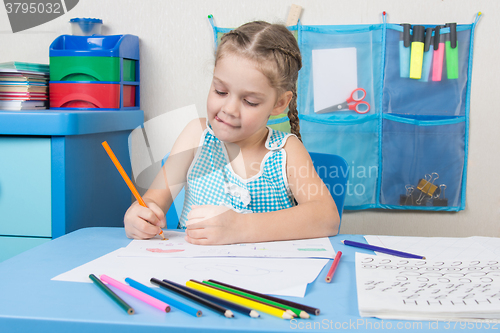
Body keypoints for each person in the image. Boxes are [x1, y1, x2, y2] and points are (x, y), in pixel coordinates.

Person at [124, 21, 340, 245]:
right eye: (220, 91)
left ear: (279, 104)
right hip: (193, 274)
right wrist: (140, 216)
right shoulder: (194, 135)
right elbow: (152, 201)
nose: (229, 109)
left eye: (249, 101)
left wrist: (240, 227)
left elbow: (327, 217)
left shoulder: (286, 150)